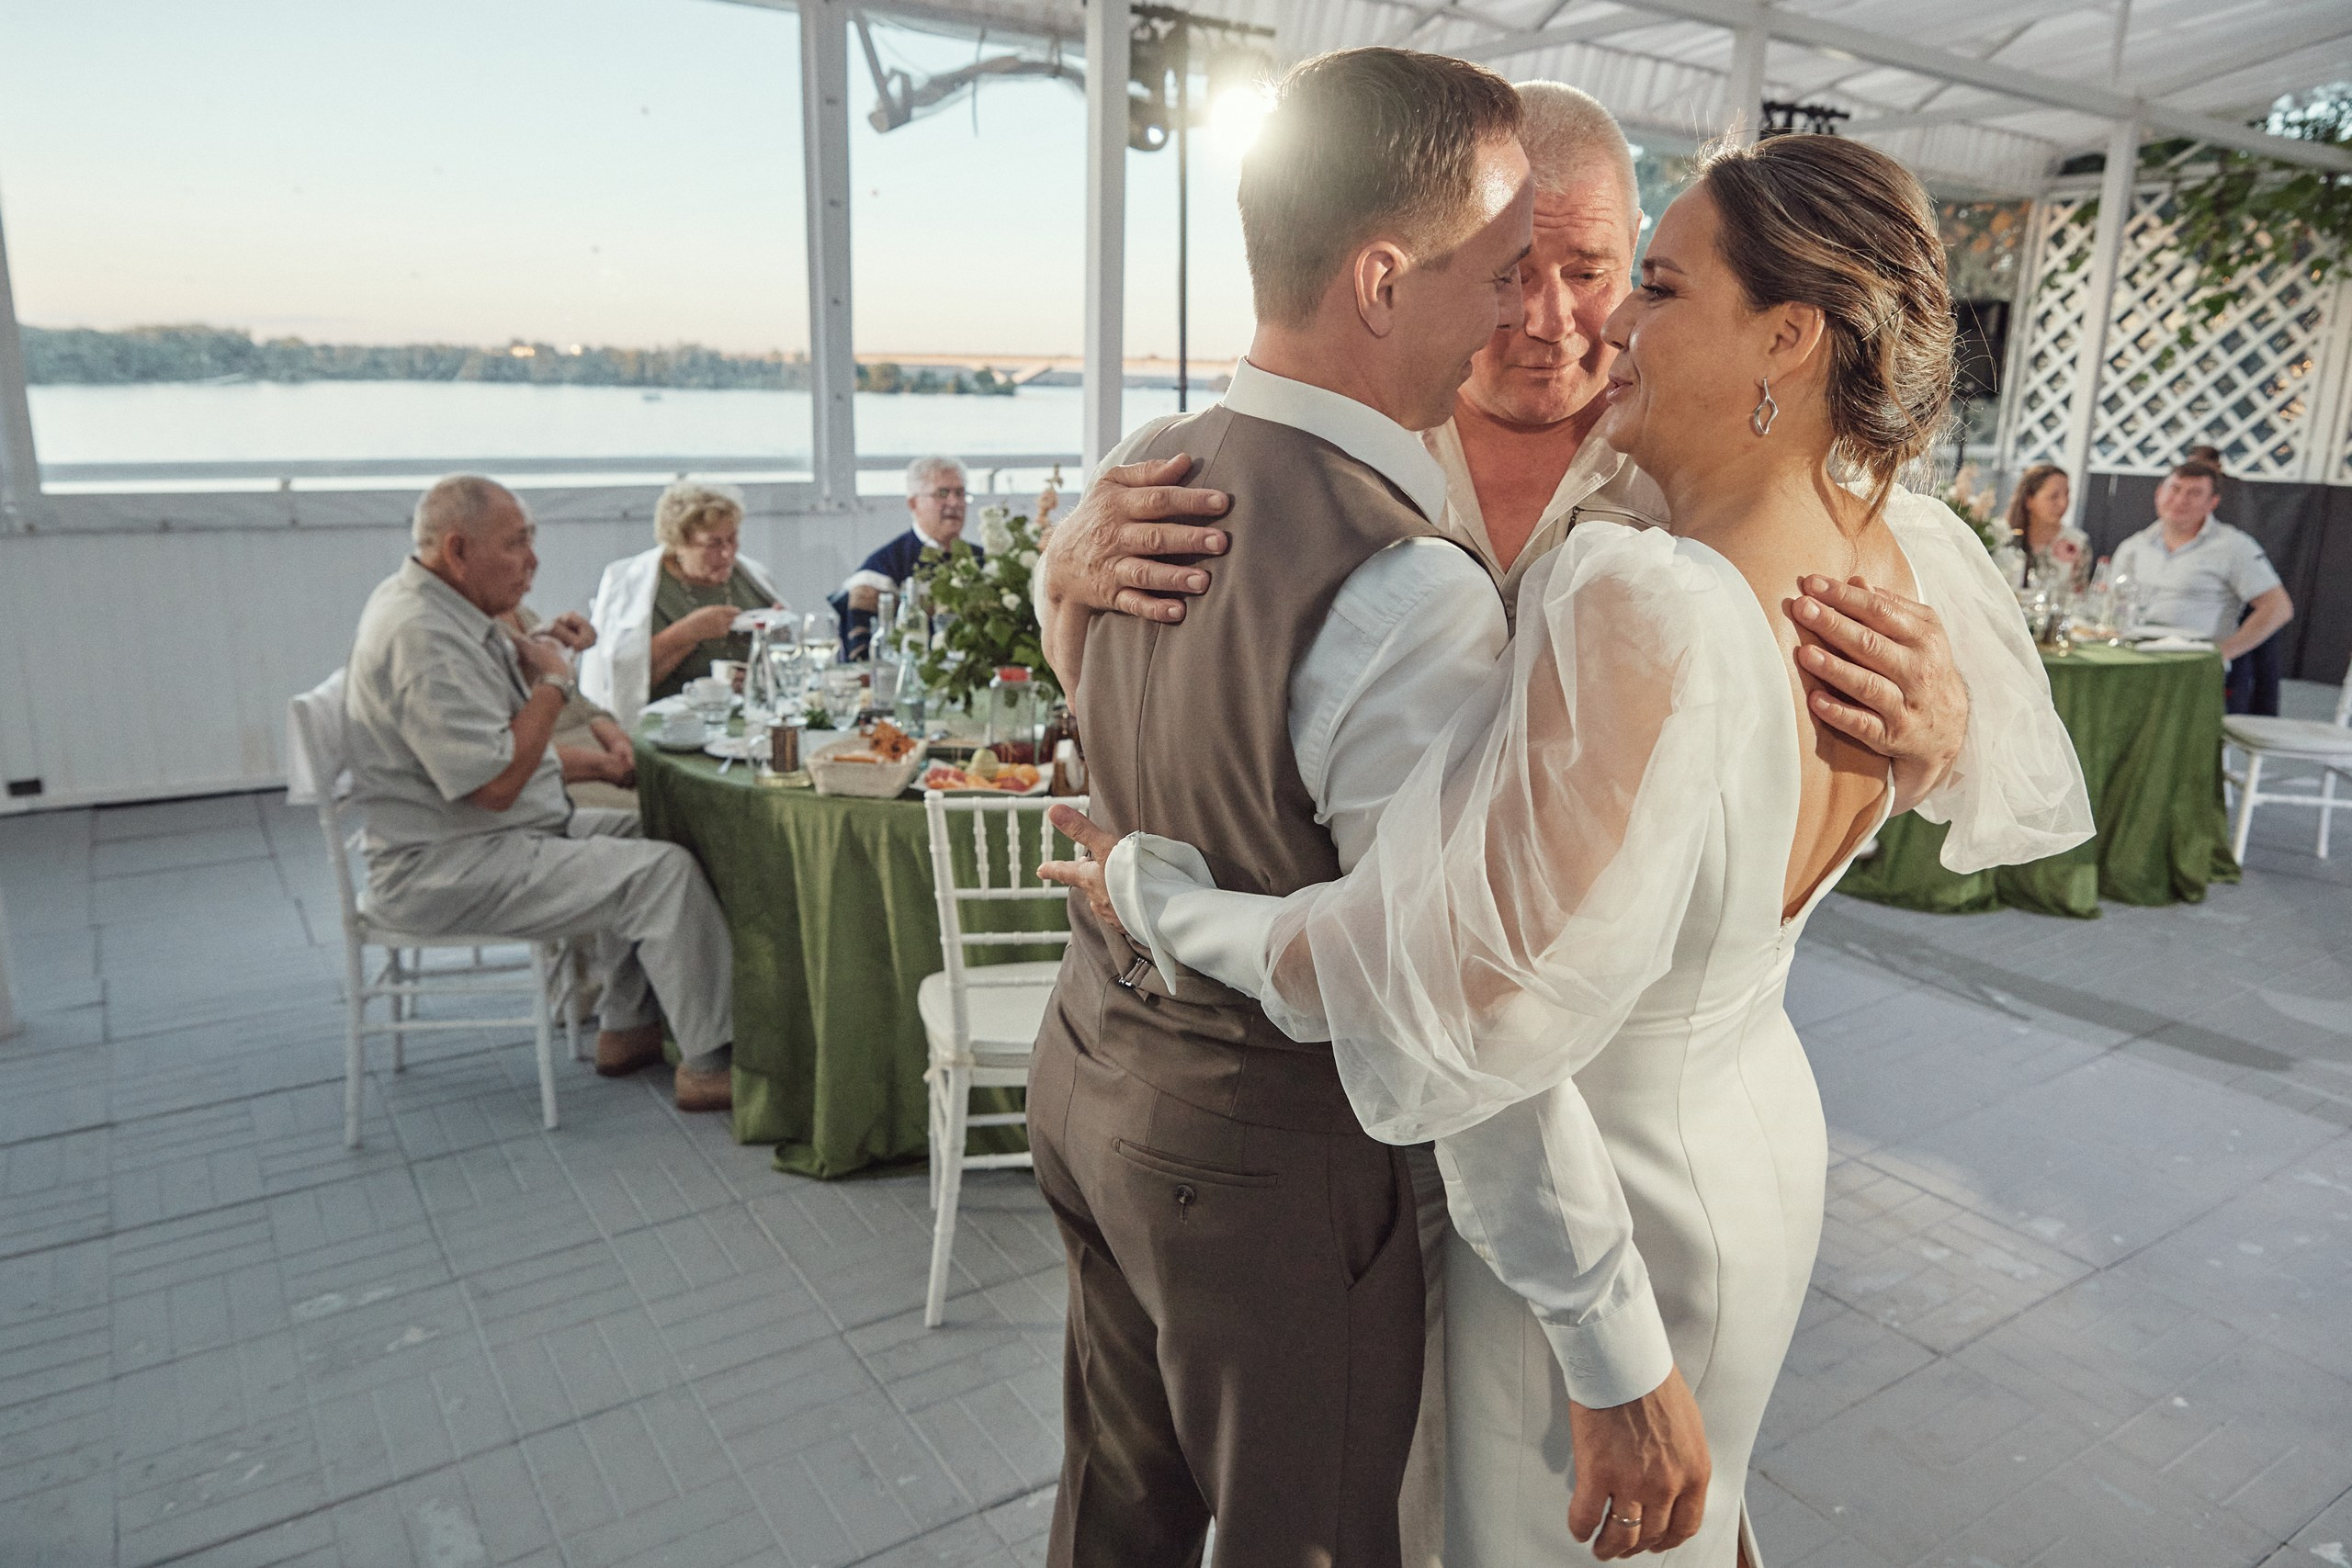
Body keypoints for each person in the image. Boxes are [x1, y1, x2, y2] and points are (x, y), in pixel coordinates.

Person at [1041, 130, 2092, 1566]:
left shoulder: (1643, 570)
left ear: (1788, 334)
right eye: (1512, 274)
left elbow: (1458, 974)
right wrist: (1061, 570)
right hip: (1729, 1145)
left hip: (1586, 1180)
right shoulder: (1885, 538)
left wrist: (1160, 898)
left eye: (1627, 278)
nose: (1574, 321)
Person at [346, 475, 740, 1112]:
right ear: (457, 549)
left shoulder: (449, 606)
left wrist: (548, 661)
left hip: (494, 834)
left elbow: (500, 740)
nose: (533, 561)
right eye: (518, 544)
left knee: (656, 832)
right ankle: (709, 1062)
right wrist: (554, 682)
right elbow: (497, 783)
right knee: (663, 873)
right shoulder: (422, 636)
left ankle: (626, 1025)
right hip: (446, 863)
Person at [580, 480, 784, 729]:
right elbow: (624, 680)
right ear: (679, 543)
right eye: (713, 544)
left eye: (732, 538)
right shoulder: (638, 588)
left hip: (751, 717)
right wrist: (688, 632)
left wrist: (779, 636)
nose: (728, 554)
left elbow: (783, 657)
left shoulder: (751, 577)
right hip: (675, 726)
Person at [2109, 457, 2293, 713]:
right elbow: (2110, 604)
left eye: (2194, 493)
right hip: (2132, 658)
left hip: (2192, 667)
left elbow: (2278, 608)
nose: (2181, 500)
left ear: (2212, 503)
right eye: (2174, 489)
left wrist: (2223, 653)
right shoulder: (2134, 546)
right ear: (2159, 493)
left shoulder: (2233, 547)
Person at [829, 456, 973, 659]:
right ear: (913, 503)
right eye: (942, 493)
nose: (955, 502)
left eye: (960, 493)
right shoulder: (880, 571)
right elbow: (861, 657)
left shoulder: (984, 561)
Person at [499, 604, 638, 809]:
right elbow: (499, 759)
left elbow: (581, 707)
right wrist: (601, 765)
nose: (528, 575)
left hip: (596, 752)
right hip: (554, 775)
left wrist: (616, 740)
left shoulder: (523, 615)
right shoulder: (467, 638)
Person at [2004, 463, 2088, 590]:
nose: (2063, 503)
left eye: (2067, 494)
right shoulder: (2003, 537)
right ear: (2029, 500)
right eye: (2053, 497)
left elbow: (2080, 594)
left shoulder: (2078, 542)